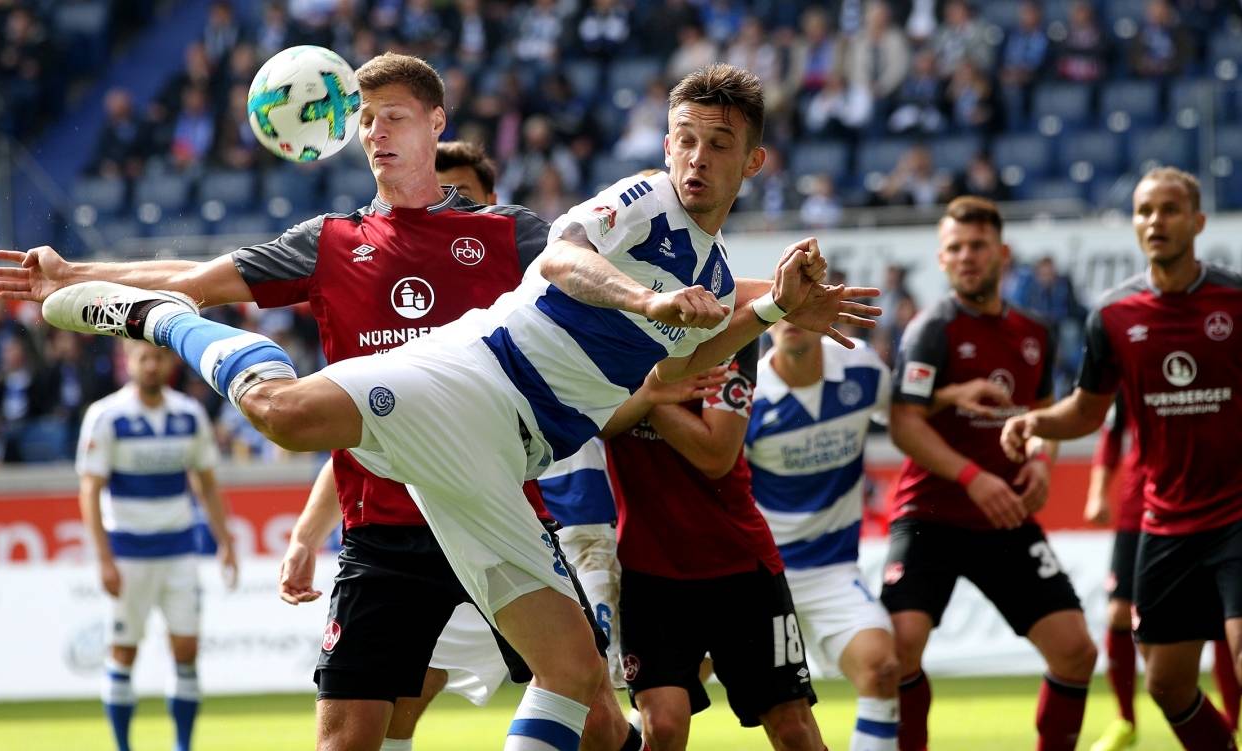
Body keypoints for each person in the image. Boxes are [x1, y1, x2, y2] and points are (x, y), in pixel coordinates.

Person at [21, 63, 878, 751]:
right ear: (664, 144)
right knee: (281, 411)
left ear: (751, 161)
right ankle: (161, 325)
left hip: (505, 464)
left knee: (575, 672)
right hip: (467, 382)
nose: (695, 159)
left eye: (717, 145)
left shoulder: (716, 276)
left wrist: (767, 311)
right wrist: (644, 301)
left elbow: (690, 355)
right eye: (684, 140)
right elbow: (563, 267)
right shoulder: (640, 200)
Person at [0, 55, 634, 751]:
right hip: (383, 527)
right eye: (364, 120)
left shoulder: (509, 236)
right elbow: (193, 282)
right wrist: (75, 273)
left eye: (393, 117)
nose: (376, 132)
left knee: (598, 721)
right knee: (345, 740)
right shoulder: (329, 242)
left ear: (435, 122)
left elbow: (603, 275)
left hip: (495, 506)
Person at [277, 138, 644, 751]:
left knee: (596, 713)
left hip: (512, 521)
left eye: (464, 197)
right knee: (395, 705)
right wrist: (304, 535)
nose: (446, 210)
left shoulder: (541, 296)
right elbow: (366, 427)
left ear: (494, 206)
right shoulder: (400, 312)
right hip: (403, 528)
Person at [1002, 167, 1242, 750]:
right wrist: (1035, 419)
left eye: (1169, 209)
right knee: (1166, 683)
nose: (1156, 221)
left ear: (1198, 221)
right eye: (1144, 211)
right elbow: (1088, 411)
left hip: (1239, 513)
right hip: (1166, 524)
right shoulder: (1113, 315)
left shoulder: (1237, 301)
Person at [884, 196, 1097, 751]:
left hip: (1003, 518)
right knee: (900, 646)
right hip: (931, 514)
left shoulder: (1037, 332)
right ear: (940, 259)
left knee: (1077, 651)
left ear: (1002, 253)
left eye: (978, 246)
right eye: (955, 248)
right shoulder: (930, 330)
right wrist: (974, 476)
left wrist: (1042, 463)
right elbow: (904, 424)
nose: (967, 257)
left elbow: (1044, 416)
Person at [600, 332, 826, 751]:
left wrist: (643, 391)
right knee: (663, 727)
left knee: (793, 729)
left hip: (741, 567)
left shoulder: (730, 333)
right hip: (650, 572)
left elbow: (716, 454)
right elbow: (601, 422)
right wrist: (653, 389)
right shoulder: (605, 326)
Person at [745, 320, 901, 750]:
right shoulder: (749, 396)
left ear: (827, 312)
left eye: (804, 306)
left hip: (831, 569)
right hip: (758, 573)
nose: (792, 319)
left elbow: (907, 418)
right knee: (672, 692)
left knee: (883, 668)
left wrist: (948, 399)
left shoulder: (863, 369)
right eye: (782, 309)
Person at [76, 340, 238, 751]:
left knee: (186, 649)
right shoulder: (106, 416)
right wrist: (104, 560)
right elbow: (90, 490)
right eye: (142, 358)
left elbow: (206, 483)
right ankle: (123, 745)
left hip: (179, 552)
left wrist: (225, 541)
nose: (151, 365)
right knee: (124, 652)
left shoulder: (189, 414)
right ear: (127, 362)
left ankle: (182, 745)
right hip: (128, 555)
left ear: (169, 361)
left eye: (158, 357)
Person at [1084, 398, 1242, 751]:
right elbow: (1108, 428)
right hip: (1139, 507)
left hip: (1209, 505)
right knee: (1118, 614)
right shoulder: (1133, 356)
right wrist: (1098, 491)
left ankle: (1232, 724)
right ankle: (1125, 720)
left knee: (1225, 621)